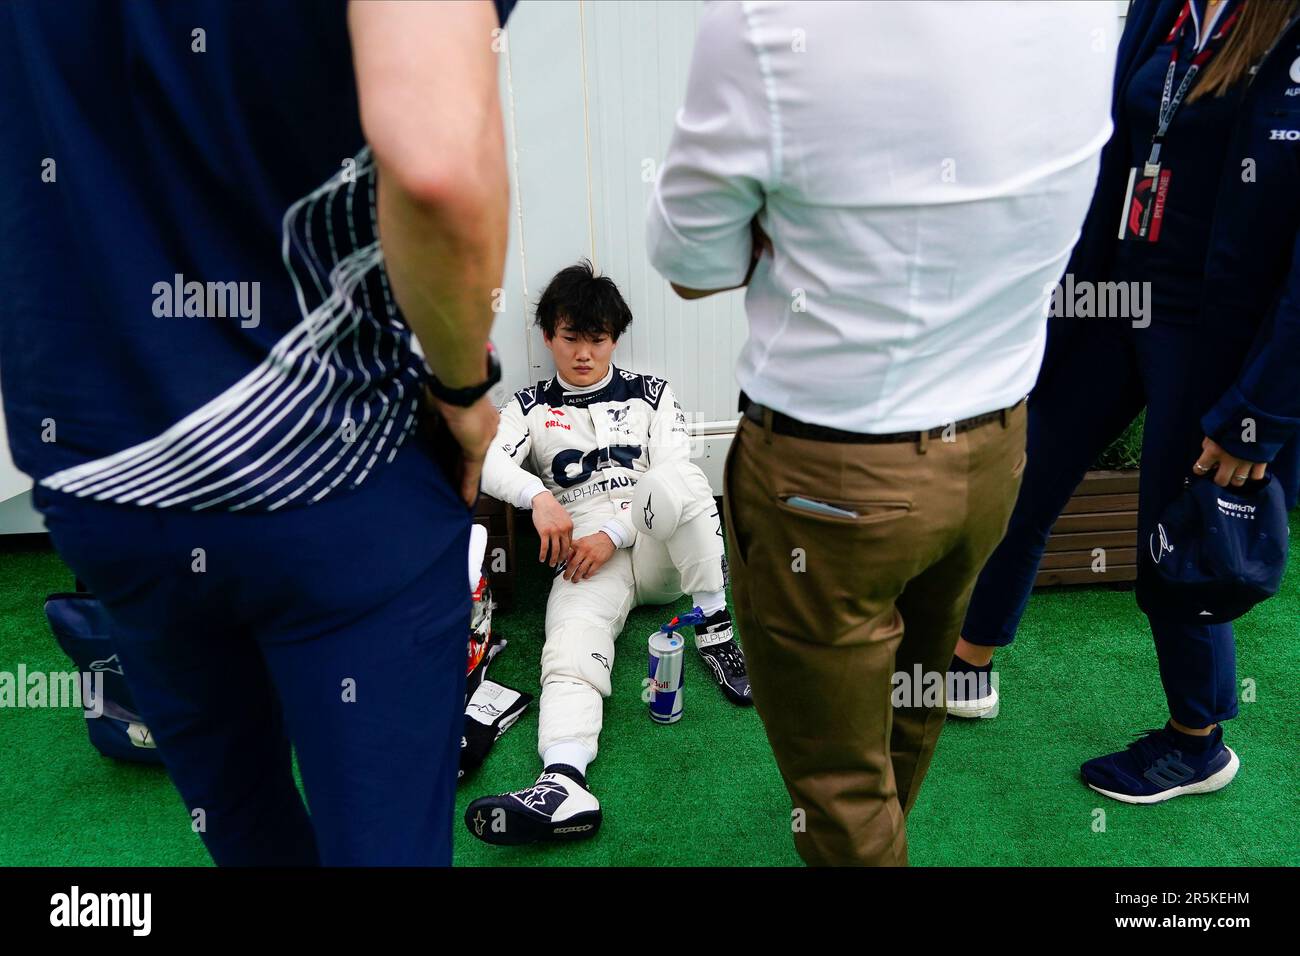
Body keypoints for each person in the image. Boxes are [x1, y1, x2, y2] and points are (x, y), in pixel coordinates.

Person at [0, 0, 514, 865]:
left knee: (247, 838)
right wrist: (466, 393)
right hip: (333, 460)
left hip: (103, 471)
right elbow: (437, 167)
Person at [647, 0, 1117, 865]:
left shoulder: (761, 23)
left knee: (839, 787)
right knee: (913, 700)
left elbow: (690, 265)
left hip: (833, 475)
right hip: (994, 448)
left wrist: (801, 226)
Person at [948, 0, 1300, 804]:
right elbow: (1112, 151)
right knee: (1023, 473)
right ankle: (967, 664)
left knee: (1176, 527)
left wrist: (1263, 411)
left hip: (1212, 326)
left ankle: (1197, 742)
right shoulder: (1163, 8)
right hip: (1117, 296)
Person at [464, 261, 750, 846]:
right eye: (571, 338)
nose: (585, 353)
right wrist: (536, 495)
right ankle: (563, 781)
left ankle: (716, 630)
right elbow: (486, 461)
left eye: (597, 339)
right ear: (549, 336)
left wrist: (614, 534)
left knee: (684, 482)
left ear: (614, 337)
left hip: (653, 535)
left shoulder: (652, 394)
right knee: (567, 645)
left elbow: (674, 472)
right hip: (583, 551)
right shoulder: (529, 406)